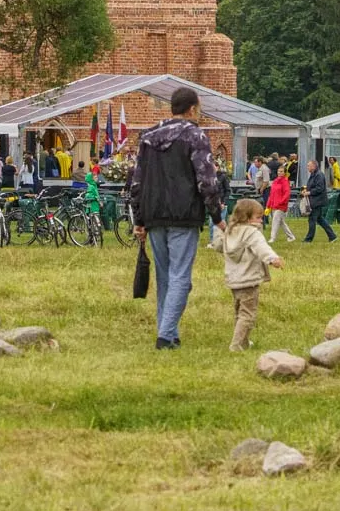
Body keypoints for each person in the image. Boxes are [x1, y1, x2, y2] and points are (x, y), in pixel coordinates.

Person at [125, 85, 224, 349]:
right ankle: (165, 335)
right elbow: (207, 179)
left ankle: (168, 331)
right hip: (184, 212)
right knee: (181, 276)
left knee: (165, 276)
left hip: (154, 212)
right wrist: (216, 215)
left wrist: (139, 219)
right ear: (193, 108)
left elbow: (137, 181)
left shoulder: (147, 137)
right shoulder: (195, 136)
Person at [216, 197, 283, 352]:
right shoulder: (252, 233)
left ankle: (244, 342)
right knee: (248, 315)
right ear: (246, 218)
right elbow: (261, 248)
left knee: (240, 313)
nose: (261, 221)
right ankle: (236, 344)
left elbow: (219, 245)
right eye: (258, 218)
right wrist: (273, 259)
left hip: (234, 280)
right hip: (249, 280)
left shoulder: (231, 231)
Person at [303, 158, 336, 243]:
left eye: (308, 166)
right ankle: (332, 236)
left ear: (314, 166)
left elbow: (320, 188)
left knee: (312, 220)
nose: (307, 167)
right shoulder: (314, 174)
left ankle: (308, 239)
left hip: (317, 201)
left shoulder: (319, 175)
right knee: (320, 219)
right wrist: (306, 191)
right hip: (315, 200)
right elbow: (312, 185)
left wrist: (309, 192)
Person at [265, 165, 296, 243]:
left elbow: (287, 194)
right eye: (279, 171)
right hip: (274, 204)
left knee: (275, 221)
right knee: (281, 222)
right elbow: (271, 194)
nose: (279, 172)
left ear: (285, 173)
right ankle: (291, 236)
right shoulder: (275, 181)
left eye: (281, 171)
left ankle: (272, 238)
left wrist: (281, 202)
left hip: (281, 205)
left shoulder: (285, 181)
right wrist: (268, 205)